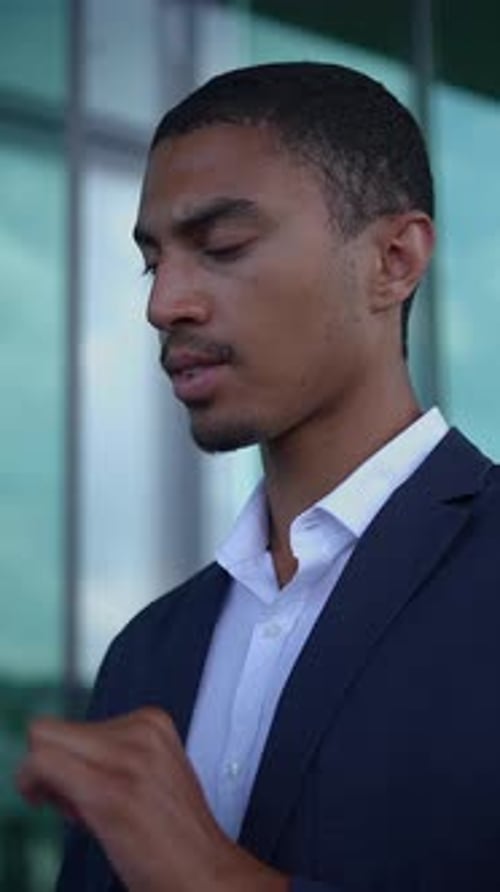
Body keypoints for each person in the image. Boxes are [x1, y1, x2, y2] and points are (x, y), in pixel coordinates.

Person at [17, 62, 500, 892]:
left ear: (394, 259)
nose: (164, 303)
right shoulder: (142, 656)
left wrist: (213, 878)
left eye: (223, 246)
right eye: (152, 261)